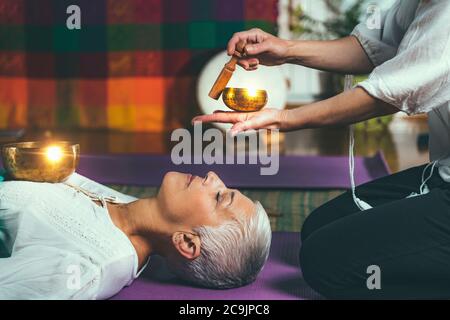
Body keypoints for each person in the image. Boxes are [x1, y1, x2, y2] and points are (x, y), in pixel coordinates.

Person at [193, 0, 450, 299]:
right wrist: (285, 50)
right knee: (319, 228)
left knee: (325, 263)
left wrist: (285, 117)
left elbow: (389, 92)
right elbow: (370, 47)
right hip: (442, 175)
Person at [0, 171, 271, 299]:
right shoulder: (127, 206)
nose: (213, 176)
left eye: (219, 197)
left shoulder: (88, 266)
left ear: (187, 242)